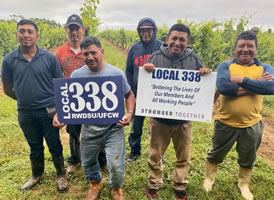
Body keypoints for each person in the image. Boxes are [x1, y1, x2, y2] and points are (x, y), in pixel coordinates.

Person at [53, 36, 135, 200]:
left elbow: (129, 95)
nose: (90, 57)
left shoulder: (115, 73)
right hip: (89, 129)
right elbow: (68, 100)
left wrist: (129, 113)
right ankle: (95, 184)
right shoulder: (76, 75)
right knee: (88, 162)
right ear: (82, 55)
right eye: (85, 54)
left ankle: (116, 188)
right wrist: (59, 115)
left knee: (116, 165)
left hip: (114, 128)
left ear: (102, 52)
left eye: (93, 53)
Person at [202, 30, 274, 200]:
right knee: (216, 153)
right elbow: (225, 87)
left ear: (256, 49)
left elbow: (271, 88)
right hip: (225, 122)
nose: (245, 49)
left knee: (248, 156)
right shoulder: (225, 66)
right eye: (241, 46)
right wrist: (257, 84)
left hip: (252, 124)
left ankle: (243, 183)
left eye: (250, 46)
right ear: (235, 48)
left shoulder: (265, 68)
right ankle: (209, 178)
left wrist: (241, 80)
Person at [143, 24, 211, 200]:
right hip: (159, 120)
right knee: (155, 155)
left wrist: (205, 75)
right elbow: (146, 87)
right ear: (167, 39)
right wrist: (147, 70)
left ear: (187, 42)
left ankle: (180, 185)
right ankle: (154, 183)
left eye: (182, 39)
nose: (177, 42)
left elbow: (203, 92)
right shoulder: (156, 57)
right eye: (174, 38)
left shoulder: (195, 60)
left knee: (183, 156)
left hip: (183, 121)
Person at [1, 19, 67, 192]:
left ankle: (61, 174)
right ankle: (36, 174)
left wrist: (58, 110)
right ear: (16, 35)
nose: (26, 35)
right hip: (26, 112)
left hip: (49, 110)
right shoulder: (9, 60)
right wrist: (24, 100)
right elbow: (7, 88)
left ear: (37, 36)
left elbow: (60, 86)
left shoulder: (50, 59)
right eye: (22, 31)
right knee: (34, 145)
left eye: (30, 31)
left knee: (54, 144)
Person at [55, 14, 107, 174]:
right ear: (66, 30)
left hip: (93, 96)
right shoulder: (60, 52)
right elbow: (58, 77)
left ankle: (102, 160)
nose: (74, 32)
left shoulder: (90, 49)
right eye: (70, 29)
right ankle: (75, 159)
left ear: (82, 30)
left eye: (77, 28)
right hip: (72, 99)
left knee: (98, 128)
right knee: (73, 131)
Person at [125, 17, 162, 161]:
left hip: (156, 95)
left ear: (154, 31)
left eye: (149, 31)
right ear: (139, 32)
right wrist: (129, 90)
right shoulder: (134, 48)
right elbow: (128, 70)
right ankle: (135, 151)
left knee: (158, 127)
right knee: (136, 126)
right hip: (138, 94)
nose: (146, 34)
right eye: (143, 31)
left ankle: (159, 153)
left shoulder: (161, 47)